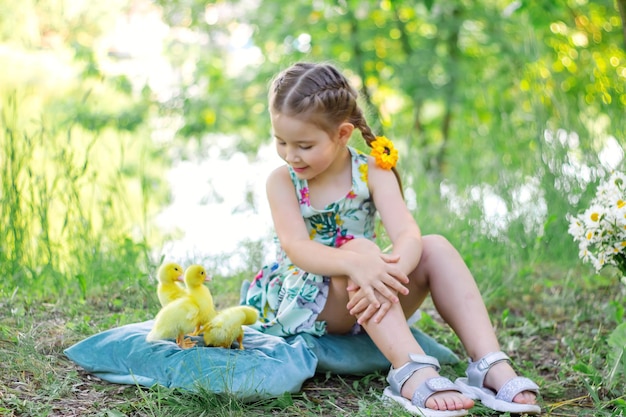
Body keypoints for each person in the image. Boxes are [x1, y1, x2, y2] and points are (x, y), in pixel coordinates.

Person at [242, 61, 541, 416]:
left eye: (304, 145)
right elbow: (298, 249)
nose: (291, 155)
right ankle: (410, 371)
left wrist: (388, 270)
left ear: (342, 134)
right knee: (362, 250)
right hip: (309, 301)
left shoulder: (373, 171)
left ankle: (488, 364)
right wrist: (358, 262)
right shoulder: (282, 181)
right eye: (281, 142)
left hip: (370, 293)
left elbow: (406, 234)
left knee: (435, 246)